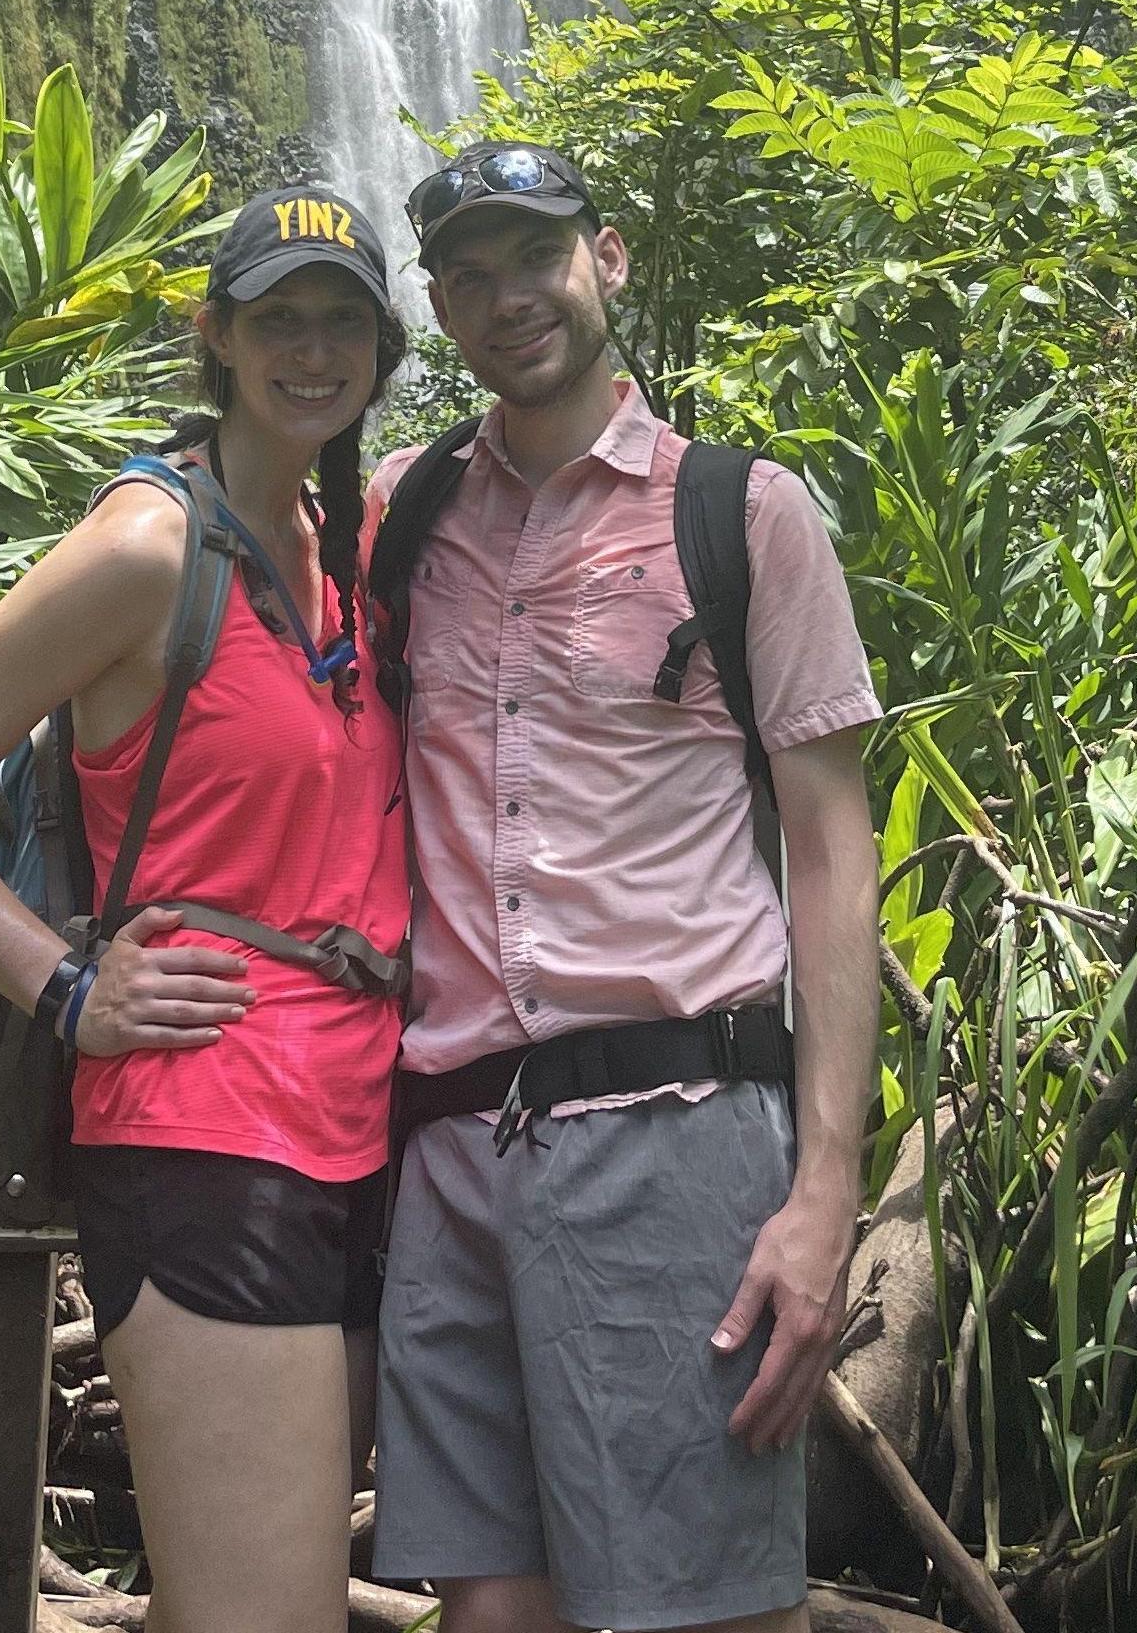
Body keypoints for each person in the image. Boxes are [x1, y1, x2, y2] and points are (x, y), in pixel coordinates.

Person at [0, 187, 413, 1633]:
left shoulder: (344, 535)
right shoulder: (146, 549)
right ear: (213, 336)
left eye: (340, 317)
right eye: (275, 317)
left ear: (382, 343)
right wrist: (68, 987)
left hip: (361, 1123)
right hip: (205, 1125)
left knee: (240, 1599)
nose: (310, 348)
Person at [367, 140, 883, 1633]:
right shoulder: (402, 515)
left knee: (710, 1615)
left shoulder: (740, 513)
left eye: (531, 255)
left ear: (607, 258)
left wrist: (823, 1193)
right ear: (442, 313)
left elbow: (829, 852)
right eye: (465, 274)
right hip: (451, 1149)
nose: (503, 295)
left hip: (672, 1131)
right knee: (490, 1613)